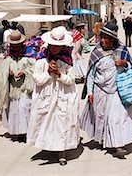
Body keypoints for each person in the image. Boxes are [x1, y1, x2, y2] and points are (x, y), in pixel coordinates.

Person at [80, 22, 132, 159]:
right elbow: (91, 75)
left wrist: (125, 64)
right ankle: (105, 140)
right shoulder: (96, 52)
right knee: (101, 118)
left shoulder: (122, 50)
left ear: (113, 39)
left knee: (115, 119)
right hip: (100, 92)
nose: (103, 40)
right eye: (102, 37)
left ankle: (118, 146)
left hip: (117, 92)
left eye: (107, 38)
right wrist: (90, 92)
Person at [27, 26, 79, 166]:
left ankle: (61, 151)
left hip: (63, 98)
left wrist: (59, 74)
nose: (55, 49)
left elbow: (71, 80)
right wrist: (48, 73)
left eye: (58, 46)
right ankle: (49, 146)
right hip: (46, 97)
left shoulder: (67, 61)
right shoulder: (41, 60)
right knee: (46, 123)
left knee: (62, 123)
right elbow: (37, 80)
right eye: (53, 46)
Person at [0, 31, 35, 140]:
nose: (15, 47)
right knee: (15, 110)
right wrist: (8, 73)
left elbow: (34, 69)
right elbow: (1, 74)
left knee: (25, 108)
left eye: (17, 45)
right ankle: (18, 131)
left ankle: (27, 132)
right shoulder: (8, 57)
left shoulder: (29, 55)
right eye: (13, 45)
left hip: (25, 88)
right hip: (13, 88)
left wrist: (25, 73)